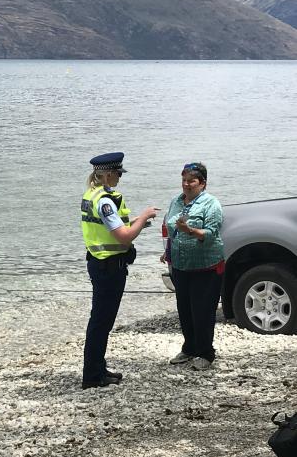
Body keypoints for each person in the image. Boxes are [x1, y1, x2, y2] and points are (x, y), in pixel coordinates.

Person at [81, 152, 160, 389]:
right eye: (116, 173)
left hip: (100, 263)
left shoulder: (92, 194)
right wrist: (144, 216)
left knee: (101, 320)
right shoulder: (104, 200)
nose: (119, 178)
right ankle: (93, 376)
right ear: (105, 174)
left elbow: (113, 227)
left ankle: (98, 367)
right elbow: (123, 236)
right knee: (101, 322)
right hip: (108, 267)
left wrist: (137, 222)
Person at [161, 162, 225, 371]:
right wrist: (168, 252)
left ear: (203, 183)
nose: (186, 185)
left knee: (203, 311)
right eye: (184, 181)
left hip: (206, 267)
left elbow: (210, 234)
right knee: (185, 309)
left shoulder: (211, 204)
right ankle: (189, 348)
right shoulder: (176, 201)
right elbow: (172, 230)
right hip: (180, 266)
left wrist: (189, 229)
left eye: (192, 181)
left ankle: (206, 353)